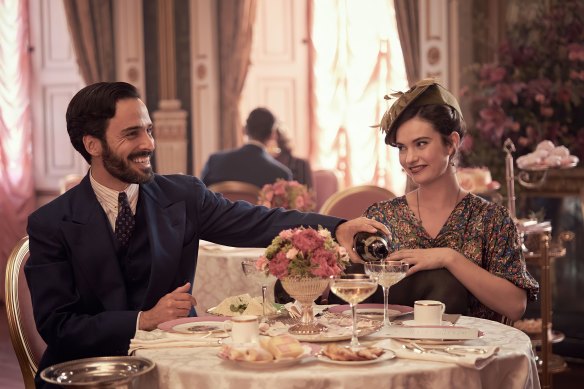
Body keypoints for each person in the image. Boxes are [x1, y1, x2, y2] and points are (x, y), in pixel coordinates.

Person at [24, 82, 387, 387]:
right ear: (93, 145)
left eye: (148, 129)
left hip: (173, 366)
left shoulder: (182, 197)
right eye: (132, 133)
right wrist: (142, 319)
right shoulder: (51, 223)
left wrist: (336, 227)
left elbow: (259, 221)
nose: (149, 143)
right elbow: (58, 326)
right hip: (89, 376)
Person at [362, 79, 538, 322]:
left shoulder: (491, 219)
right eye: (402, 148)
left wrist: (449, 258)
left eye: (421, 144)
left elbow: (515, 306)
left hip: (473, 355)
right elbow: (363, 299)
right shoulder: (382, 217)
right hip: (399, 356)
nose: (410, 158)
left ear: (452, 143)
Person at [200, 107, 293, 188]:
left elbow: (200, 199)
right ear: (273, 135)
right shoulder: (280, 175)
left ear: (245, 130)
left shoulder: (215, 161)